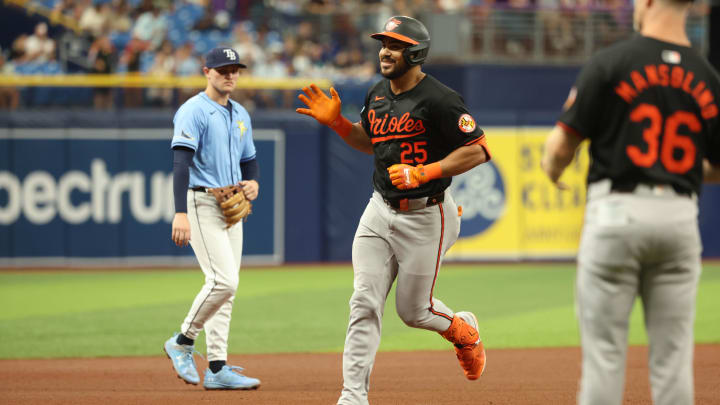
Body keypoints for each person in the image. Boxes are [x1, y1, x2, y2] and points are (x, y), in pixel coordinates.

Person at [296, 16, 491, 405]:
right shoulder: (377, 94)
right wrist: (336, 123)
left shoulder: (440, 99)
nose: (385, 50)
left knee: (413, 312)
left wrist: (424, 171)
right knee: (364, 302)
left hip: (427, 215)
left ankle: (463, 330)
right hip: (379, 210)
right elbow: (368, 141)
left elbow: (479, 149)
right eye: (384, 43)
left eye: (395, 44)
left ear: (415, 52)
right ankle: (352, 397)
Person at [540, 0, 720, 403]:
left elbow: (559, 149)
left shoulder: (611, 62)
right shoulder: (707, 77)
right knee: (673, 359)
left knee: (604, 357)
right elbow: (715, 166)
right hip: (679, 219)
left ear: (649, 2)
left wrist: (553, 173)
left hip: (616, 214)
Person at [164, 47, 261, 391]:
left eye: (234, 69)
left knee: (227, 290)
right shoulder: (193, 110)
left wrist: (253, 182)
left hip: (230, 202)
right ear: (206, 71)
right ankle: (183, 341)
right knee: (224, 281)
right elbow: (180, 164)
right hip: (201, 202)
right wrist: (179, 212)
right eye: (223, 70)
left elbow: (249, 160)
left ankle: (217, 368)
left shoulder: (240, 113)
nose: (230, 75)